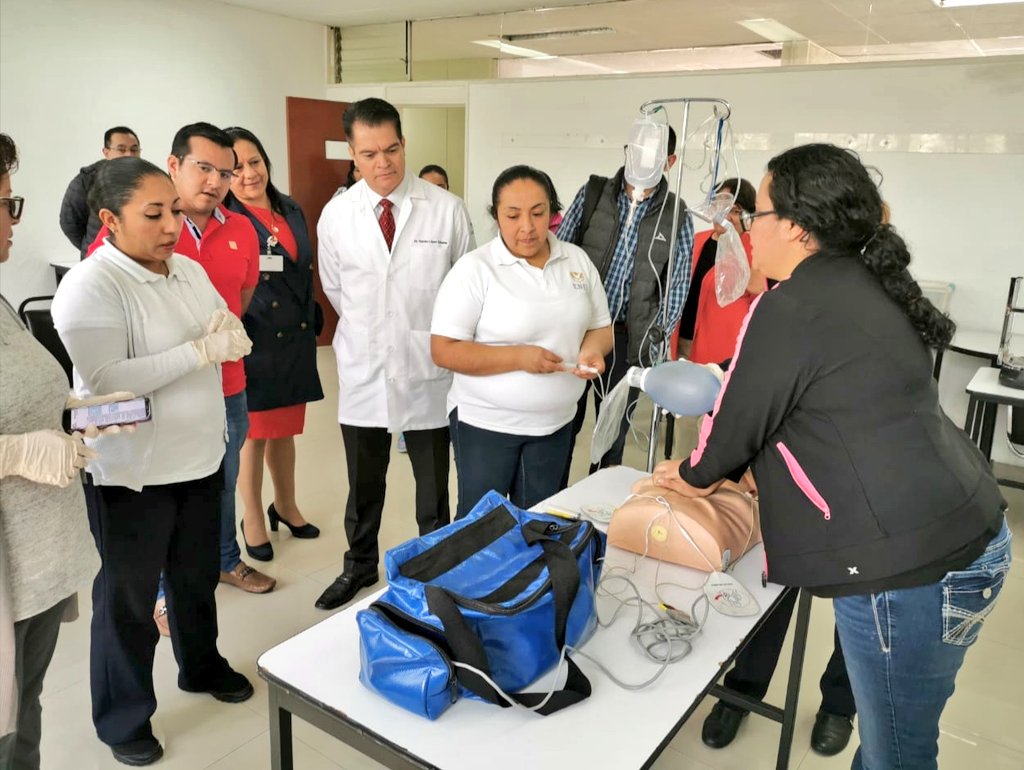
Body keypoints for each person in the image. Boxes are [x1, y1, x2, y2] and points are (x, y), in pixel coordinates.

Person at [652, 143, 1010, 770]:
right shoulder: (867, 281)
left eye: (757, 214)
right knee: (894, 742)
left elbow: (731, 431)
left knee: (897, 755)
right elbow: (829, 405)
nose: (747, 229)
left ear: (796, 226)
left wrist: (687, 475)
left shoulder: (789, 305)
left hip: (910, 568)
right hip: (967, 530)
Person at [51, 157, 256, 766]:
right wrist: (200, 351)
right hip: (132, 474)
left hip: (199, 459)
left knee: (194, 581)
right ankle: (124, 718)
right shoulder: (91, 284)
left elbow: (221, 321)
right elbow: (110, 379)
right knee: (130, 599)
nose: (171, 225)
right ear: (110, 219)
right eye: (154, 214)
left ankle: (201, 665)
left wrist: (221, 334)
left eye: (173, 210)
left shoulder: (187, 269)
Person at [89, 123, 273, 608]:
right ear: (174, 165)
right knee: (156, 498)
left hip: (226, 385)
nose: (215, 182)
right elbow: (107, 348)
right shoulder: (126, 239)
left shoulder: (240, 229)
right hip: (152, 399)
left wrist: (220, 340)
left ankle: (225, 559)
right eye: (204, 168)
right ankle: (158, 593)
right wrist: (196, 350)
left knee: (220, 482)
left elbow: (240, 299)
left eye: (226, 173)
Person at [316, 97, 475, 611]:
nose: (382, 163)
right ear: (352, 154)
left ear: (404, 143)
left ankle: (437, 569)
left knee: (433, 489)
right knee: (363, 485)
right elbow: (336, 289)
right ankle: (359, 566)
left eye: (391, 149)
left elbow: (464, 291)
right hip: (364, 369)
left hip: (429, 370)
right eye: (369, 154)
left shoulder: (446, 209)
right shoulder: (336, 215)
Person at [0, 133, 107, 770]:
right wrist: (13, 455)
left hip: (34, 563)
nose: (14, 220)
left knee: (23, 712)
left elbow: (25, 398)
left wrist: (80, 412)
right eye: (6, 204)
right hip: (8, 574)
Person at [431, 165, 612, 517]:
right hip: (486, 425)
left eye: (538, 213)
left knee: (539, 520)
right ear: (496, 216)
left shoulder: (576, 260)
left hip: (556, 424)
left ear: (553, 213)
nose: (526, 227)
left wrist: (592, 350)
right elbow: (443, 350)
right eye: (513, 216)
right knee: (482, 524)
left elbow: (600, 327)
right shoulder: (475, 269)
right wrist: (519, 357)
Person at [557, 127, 695, 485]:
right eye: (637, 151)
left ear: (669, 161)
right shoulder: (594, 194)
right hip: (575, 332)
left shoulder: (675, 215)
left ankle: (597, 501)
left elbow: (677, 285)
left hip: (627, 339)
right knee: (561, 424)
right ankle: (553, 497)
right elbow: (559, 252)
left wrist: (654, 336)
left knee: (612, 433)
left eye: (653, 156)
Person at [224, 126, 324, 562]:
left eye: (255, 162)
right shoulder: (227, 219)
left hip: (295, 336)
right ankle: (252, 517)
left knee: (285, 431)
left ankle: (285, 504)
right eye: (236, 168)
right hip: (257, 339)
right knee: (255, 436)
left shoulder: (290, 209)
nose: (248, 174)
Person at [674, 178, 765, 363]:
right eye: (719, 207)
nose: (724, 216)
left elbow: (760, 301)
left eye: (734, 210)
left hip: (722, 351)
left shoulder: (754, 249)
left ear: (747, 214)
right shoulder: (697, 240)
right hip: (683, 340)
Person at [59, 126, 141, 257]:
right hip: (97, 257)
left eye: (134, 150)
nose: (129, 155)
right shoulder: (88, 179)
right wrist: (89, 244)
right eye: (121, 149)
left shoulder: (147, 179)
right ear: (106, 153)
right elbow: (69, 222)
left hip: (135, 258)